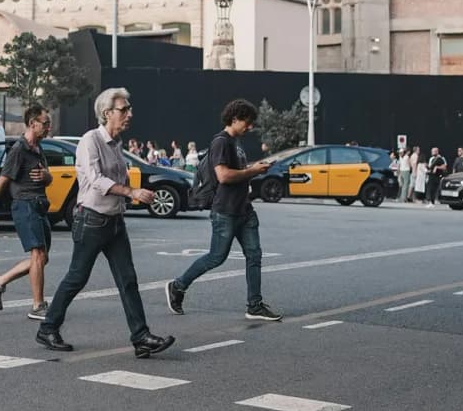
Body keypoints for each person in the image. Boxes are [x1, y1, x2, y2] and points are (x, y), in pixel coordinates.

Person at [36, 87, 174, 357]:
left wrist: (131, 198)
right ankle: (48, 327)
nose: (129, 114)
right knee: (77, 277)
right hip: (92, 220)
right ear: (107, 113)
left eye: (128, 109)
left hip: (114, 221)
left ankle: (141, 337)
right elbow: (96, 180)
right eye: (124, 109)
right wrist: (130, 192)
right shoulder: (91, 140)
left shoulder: (116, 144)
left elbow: (116, 181)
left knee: (128, 279)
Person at [166, 99, 283, 322]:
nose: (250, 127)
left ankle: (255, 305)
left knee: (254, 255)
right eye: (247, 123)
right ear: (235, 119)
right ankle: (177, 286)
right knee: (216, 257)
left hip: (244, 209)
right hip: (226, 210)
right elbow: (223, 175)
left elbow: (237, 173)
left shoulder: (235, 143)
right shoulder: (221, 142)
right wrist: (252, 171)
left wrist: (253, 170)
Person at [0, 104, 54, 320]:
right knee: (37, 254)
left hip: (39, 205)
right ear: (32, 123)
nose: (48, 128)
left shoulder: (37, 148)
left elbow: (48, 177)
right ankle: (38, 306)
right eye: (45, 124)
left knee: (42, 258)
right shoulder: (19, 150)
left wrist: (47, 177)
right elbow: (1, 183)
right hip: (25, 205)